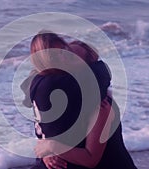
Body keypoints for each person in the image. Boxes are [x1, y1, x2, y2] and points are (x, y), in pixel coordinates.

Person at [29, 31, 137, 169]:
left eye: (74, 58)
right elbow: (47, 130)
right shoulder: (63, 98)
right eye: (64, 51)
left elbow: (90, 159)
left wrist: (52, 146)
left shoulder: (101, 106)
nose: (65, 57)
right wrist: (47, 152)